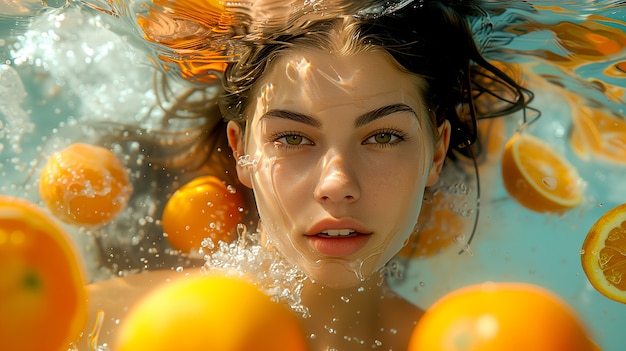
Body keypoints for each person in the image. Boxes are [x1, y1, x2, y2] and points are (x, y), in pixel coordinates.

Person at [81, 0, 532, 350]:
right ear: (242, 151)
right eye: (293, 139)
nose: (337, 184)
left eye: (384, 137)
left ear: (436, 153)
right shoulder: (93, 327)